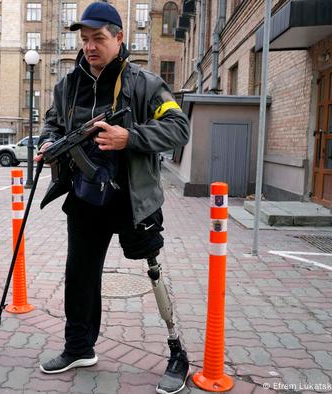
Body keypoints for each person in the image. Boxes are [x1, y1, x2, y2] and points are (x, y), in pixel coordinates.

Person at [34, 2, 191, 393]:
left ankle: (177, 352)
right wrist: (49, 143)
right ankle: (79, 347)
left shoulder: (144, 83)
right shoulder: (68, 86)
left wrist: (130, 137)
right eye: (85, 39)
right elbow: (52, 123)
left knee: (153, 273)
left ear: (119, 38)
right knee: (79, 275)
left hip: (132, 200)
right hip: (86, 197)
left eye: (98, 38)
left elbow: (178, 127)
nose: (90, 46)